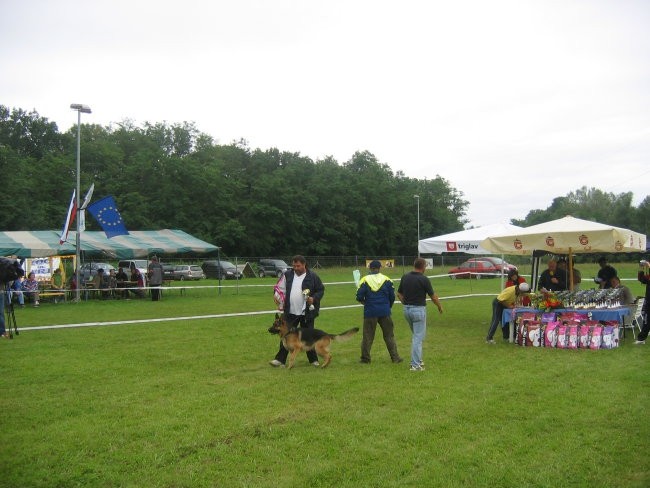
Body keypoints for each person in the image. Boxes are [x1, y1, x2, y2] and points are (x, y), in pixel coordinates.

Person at [269, 255, 325, 368]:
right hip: (290, 312)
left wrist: (313, 298)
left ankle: (313, 360)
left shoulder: (313, 276)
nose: (295, 268)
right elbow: (280, 289)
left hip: (307, 312)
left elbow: (321, 290)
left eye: (298, 266)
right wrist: (276, 295)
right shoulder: (287, 275)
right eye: (293, 265)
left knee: (309, 336)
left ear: (304, 264)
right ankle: (280, 360)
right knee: (285, 336)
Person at [397, 257, 443, 372]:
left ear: (414, 265)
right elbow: (433, 296)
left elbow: (399, 294)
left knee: (417, 336)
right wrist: (439, 306)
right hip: (418, 310)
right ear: (423, 267)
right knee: (417, 338)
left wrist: (406, 303)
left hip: (406, 310)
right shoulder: (424, 279)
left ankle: (418, 359)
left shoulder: (405, 277)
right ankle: (415, 365)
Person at [355, 260, 402, 364]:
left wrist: (365, 303)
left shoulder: (364, 280)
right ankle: (395, 358)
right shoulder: (387, 280)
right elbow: (392, 297)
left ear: (370, 268)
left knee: (368, 336)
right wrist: (387, 306)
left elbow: (358, 296)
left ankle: (365, 359)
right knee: (389, 336)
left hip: (370, 311)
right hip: (385, 311)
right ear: (380, 268)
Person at [635, 259, 650, 345]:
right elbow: (642, 279)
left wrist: (648, 265)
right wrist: (641, 268)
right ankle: (641, 339)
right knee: (647, 319)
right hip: (649, 301)